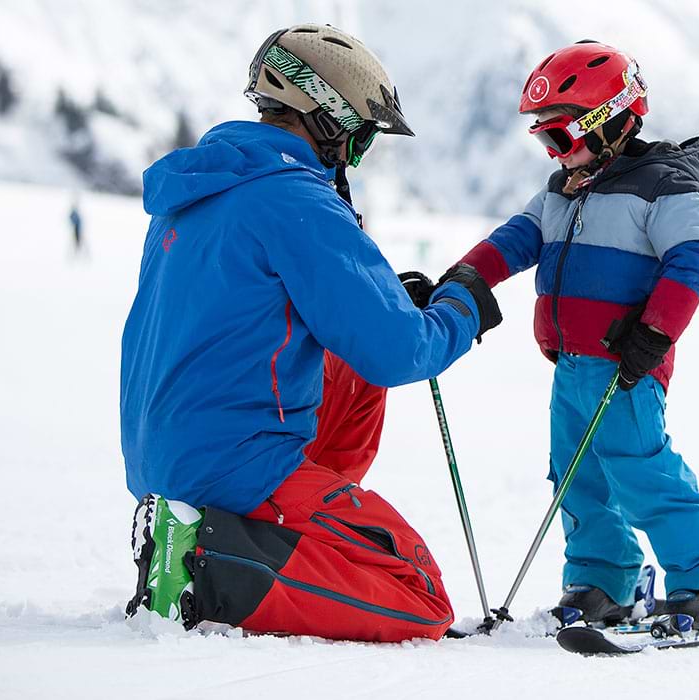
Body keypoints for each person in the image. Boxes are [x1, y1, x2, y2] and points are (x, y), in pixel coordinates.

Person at [120, 24, 502, 643]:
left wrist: (383, 304)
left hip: (168, 454)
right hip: (232, 464)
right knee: (419, 593)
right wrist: (461, 312)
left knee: (351, 374)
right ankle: (206, 570)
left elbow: (254, 316)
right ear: (327, 120)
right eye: (360, 139)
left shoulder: (201, 190)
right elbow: (399, 351)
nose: (355, 156)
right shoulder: (294, 198)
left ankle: (274, 531)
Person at [448, 41, 699, 631]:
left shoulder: (665, 184)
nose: (554, 154)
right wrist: (465, 276)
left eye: (559, 137)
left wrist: (654, 335)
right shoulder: (563, 190)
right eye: (544, 140)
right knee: (576, 476)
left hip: (626, 364)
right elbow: (513, 241)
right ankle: (603, 579)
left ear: (610, 121)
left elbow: (692, 261)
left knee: (643, 473)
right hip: (572, 368)